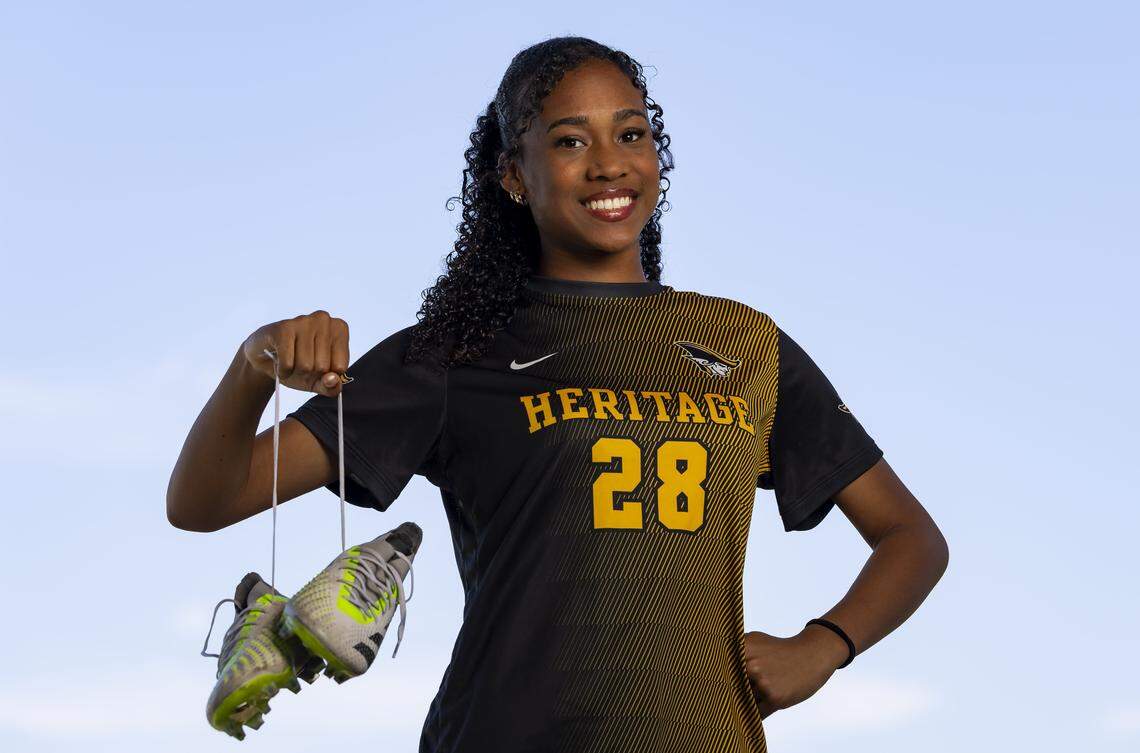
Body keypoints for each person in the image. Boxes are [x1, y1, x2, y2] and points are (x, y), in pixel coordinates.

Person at [167, 35, 949, 753]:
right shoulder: (455, 351)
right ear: (514, 174)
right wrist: (251, 365)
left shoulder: (745, 343)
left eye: (631, 133)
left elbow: (911, 536)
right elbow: (205, 500)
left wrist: (824, 644)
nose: (609, 163)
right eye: (571, 140)